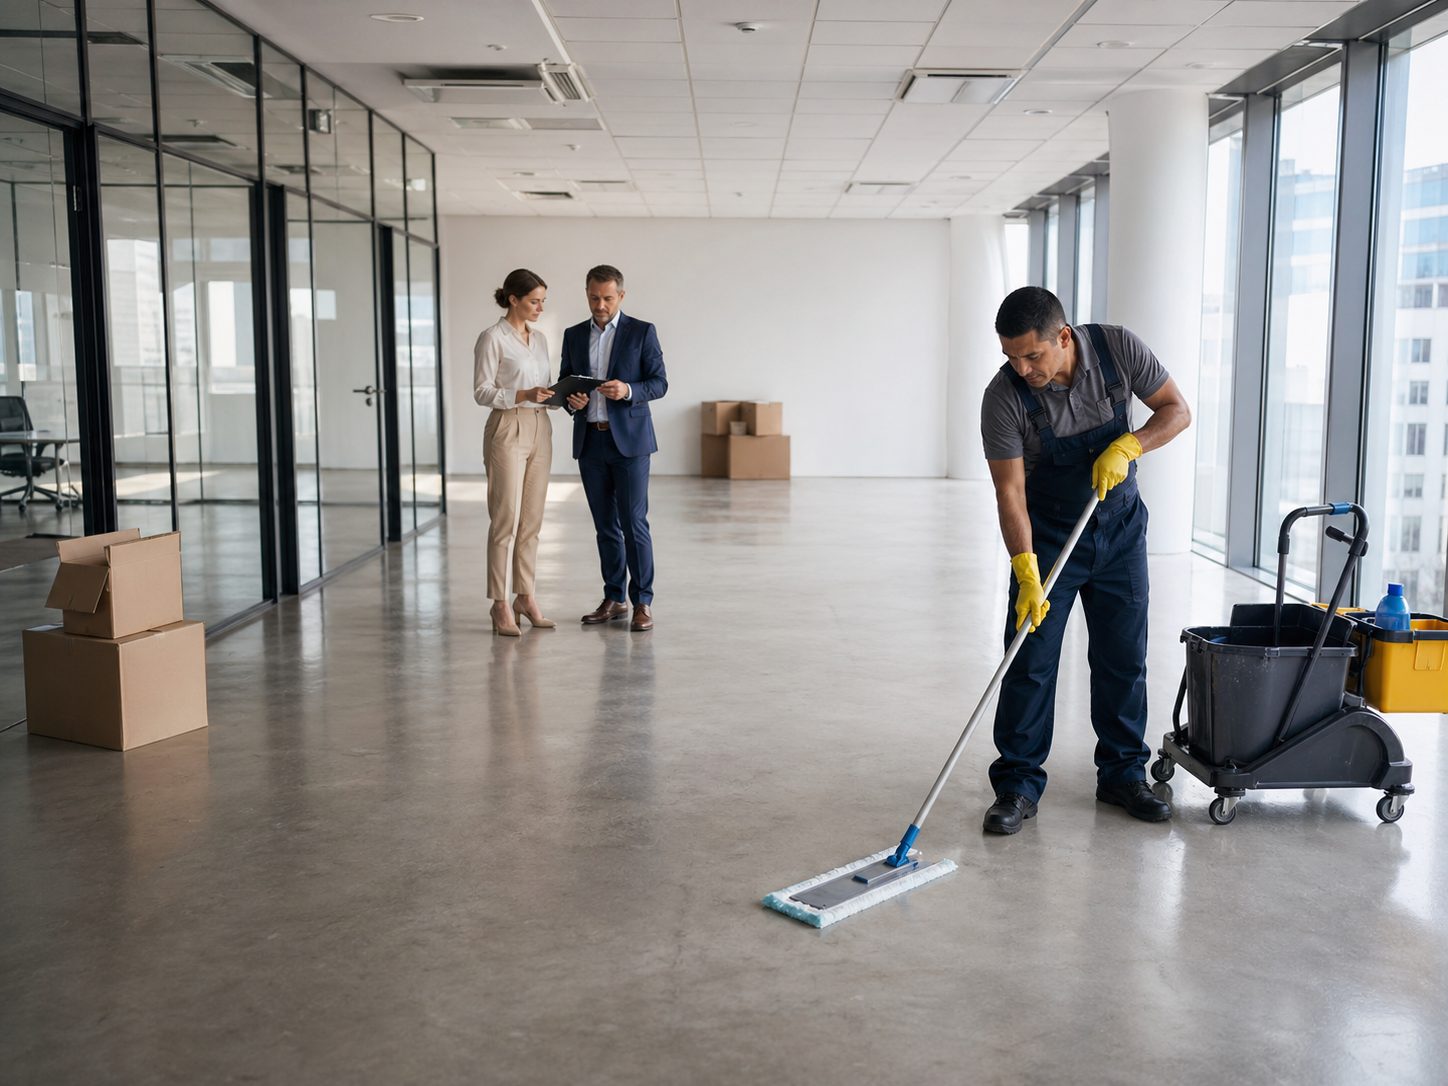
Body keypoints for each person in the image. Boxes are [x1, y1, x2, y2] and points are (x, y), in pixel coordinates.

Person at [979, 287, 1191, 834]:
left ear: (1064, 337)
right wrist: (1025, 569)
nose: (1022, 369)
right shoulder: (1003, 398)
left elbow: (1177, 411)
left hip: (1120, 530)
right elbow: (1010, 493)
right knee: (1029, 659)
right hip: (1050, 537)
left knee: (1123, 656)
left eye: (1032, 355)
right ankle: (1017, 784)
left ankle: (1123, 774)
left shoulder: (1118, 349)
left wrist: (1131, 445)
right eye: (1011, 357)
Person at [558, 265, 668, 632]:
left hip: (631, 444)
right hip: (591, 441)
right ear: (586, 294)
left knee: (633, 524)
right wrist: (571, 400)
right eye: (594, 297)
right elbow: (565, 384)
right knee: (605, 526)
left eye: (607, 298)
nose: (600, 305)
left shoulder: (642, 332)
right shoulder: (573, 335)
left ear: (621, 295)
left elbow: (659, 383)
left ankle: (643, 602)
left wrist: (629, 390)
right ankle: (615, 598)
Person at [473, 268, 559, 637]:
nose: (540, 307)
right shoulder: (492, 338)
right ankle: (499, 604)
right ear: (513, 299)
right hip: (507, 427)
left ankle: (525, 596)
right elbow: (481, 391)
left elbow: (542, 387)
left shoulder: (539, 339)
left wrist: (560, 396)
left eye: (543, 301)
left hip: (541, 427)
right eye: (534, 301)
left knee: (532, 520)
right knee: (505, 519)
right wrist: (522, 394)